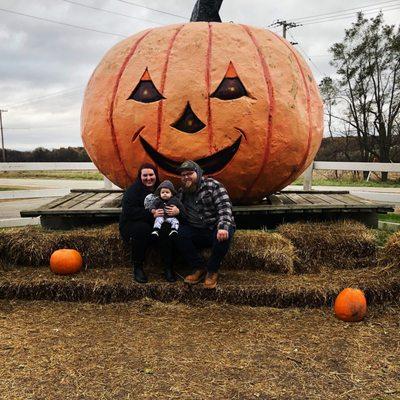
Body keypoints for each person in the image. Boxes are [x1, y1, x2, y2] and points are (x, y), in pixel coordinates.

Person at [175, 160, 235, 289]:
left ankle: (212, 270)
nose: (186, 177)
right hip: (196, 229)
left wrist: (222, 227)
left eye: (189, 173)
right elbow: (178, 212)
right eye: (183, 175)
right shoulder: (182, 192)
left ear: (198, 173)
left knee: (224, 236)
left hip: (214, 227)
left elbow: (224, 208)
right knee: (177, 234)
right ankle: (198, 267)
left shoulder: (213, 186)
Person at [119, 163, 178, 283]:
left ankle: (168, 266)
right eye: (145, 175)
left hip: (156, 221)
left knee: (167, 228)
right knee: (142, 229)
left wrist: (176, 210)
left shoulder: (161, 189)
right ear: (140, 176)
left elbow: (173, 200)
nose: (148, 178)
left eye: (151, 175)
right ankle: (138, 267)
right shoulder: (133, 190)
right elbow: (128, 211)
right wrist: (151, 214)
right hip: (134, 222)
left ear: (155, 175)